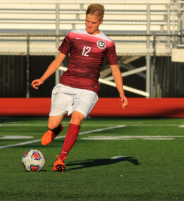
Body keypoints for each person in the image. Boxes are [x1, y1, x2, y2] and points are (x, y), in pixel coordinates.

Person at [31, 4, 128, 172]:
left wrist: (121, 92)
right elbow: (58, 60)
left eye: (94, 22)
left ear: (101, 22)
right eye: (87, 21)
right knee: (52, 124)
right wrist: (42, 78)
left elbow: (114, 69)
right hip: (67, 84)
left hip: (88, 89)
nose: (89, 25)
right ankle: (56, 129)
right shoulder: (73, 35)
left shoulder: (108, 43)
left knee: (76, 120)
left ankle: (61, 159)